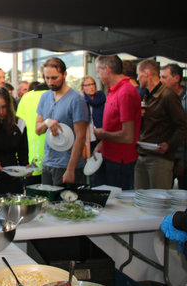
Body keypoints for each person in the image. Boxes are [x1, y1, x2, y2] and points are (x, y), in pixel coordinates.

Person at [35, 57, 89, 185]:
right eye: (47, 78)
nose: (50, 82)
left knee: (65, 205)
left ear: (64, 74)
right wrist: (46, 122)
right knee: (46, 203)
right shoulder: (45, 96)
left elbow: (81, 138)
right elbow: (37, 129)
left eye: (54, 78)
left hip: (67, 165)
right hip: (48, 162)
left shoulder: (76, 99)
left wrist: (71, 169)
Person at [136, 59, 187, 189]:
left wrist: (169, 145)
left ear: (146, 73)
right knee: (140, 198)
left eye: (139, 74)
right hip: (143, 154)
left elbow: (182, 126)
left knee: (158, 201)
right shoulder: (148, 95)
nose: (137, 78)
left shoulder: (168, 95)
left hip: (159, 159)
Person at [92, 55, 141, 190]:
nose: (98, 76)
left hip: (120, 161)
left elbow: (128, 136)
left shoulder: (126, 92)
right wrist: (104, 143)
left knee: (116, 203)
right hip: (110, 156)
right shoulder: (114, 90)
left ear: (107, 69)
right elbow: (115, 126)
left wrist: (102, 134)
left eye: (98, 71)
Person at [17, 74, 49, 185]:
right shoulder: (57, 96)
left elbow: (19, 129)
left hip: (32, 157)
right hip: (56, 160)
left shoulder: (26, 98)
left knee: (33, 197)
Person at [161, 63, 187, 189]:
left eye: (164, 77)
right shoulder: (164, 97)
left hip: (181, 158)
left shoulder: (184, 100)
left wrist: (183, 162)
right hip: (167, 156)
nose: (161, 81)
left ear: (176, 78)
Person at [80, 76, 106, 186]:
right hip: (88, 138)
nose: (91, 87)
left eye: (93, 84)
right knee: (91, 168)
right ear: (83, 88)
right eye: (88, 85)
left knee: (103, 170)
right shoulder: (81, 101)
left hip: (102, 136)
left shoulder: (102, 98)